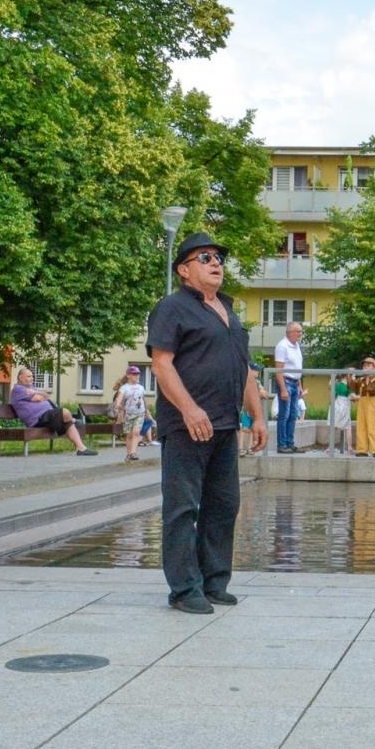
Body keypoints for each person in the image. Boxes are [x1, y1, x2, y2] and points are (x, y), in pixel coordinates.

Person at [147, 231, 269, 613]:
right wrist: (189, 408)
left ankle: (214, 581)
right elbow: (161, 364)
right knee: (183, 508)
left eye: (218, 257)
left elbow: (245, 371)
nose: (215, 262)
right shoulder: (172, 308)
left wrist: (257, 416)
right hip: (187, 425)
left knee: (224, 504)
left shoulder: (230, 312)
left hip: (226, 425)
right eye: (204, 257)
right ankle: (184, 589)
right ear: (183, 270)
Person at [9, 368, 96, 455]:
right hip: (37, 418)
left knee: (66, 422)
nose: (32, 378)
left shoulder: (31, 388)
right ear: (21, 377)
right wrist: (39, 394)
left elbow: (46, 396)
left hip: (46, 416)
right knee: (65, 413)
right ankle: (72, 420)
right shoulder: (18, 389)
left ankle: (81, 448)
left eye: (32, 376)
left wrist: (37, 392)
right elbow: (38, 398)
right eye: (29, 376)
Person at [272, 321, 305, 454]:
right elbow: (279, 369)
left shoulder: (296, 346)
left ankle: (290, 443)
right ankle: (282, 444)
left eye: (301, 331)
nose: (300, 334)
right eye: (298, 331)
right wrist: (283, 389)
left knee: (293, 414)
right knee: (284, 415)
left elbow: (297, 367)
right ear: (290, 332)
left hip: (295, 382)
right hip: (285, 381)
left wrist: (300, 385)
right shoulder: (282, 346)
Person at [352, 357, 375, 456]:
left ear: (374, 368)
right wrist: (351, 377)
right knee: (361, 426)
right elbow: (353, 387)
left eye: (369, 365)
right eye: (364, 366)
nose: (366, 367)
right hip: (362, 402)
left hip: (371, 402)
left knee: (373, 426)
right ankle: (362, 449)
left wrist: (368, 378)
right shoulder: (360, 380)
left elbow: (372, 390)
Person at [116, 366, 148, 462]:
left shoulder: (141, 387)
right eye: (134, 374)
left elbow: (144, 400)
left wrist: (146, 411)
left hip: (140, 413)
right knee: (129, 435)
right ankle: (129, 453)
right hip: (129, 414)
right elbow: (119, 399)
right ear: (128, 375)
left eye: (138, 374)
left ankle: (133, 453)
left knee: (136, 432)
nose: (137, 376)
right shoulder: (124, 388)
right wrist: (118, 405)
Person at [329, 368, 354, 455]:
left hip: (335, 407)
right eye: (354, 375)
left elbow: (331, 386)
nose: (354, 377)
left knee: (334, 427)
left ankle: (330, 447)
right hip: (344, 408)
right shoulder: (348, 386)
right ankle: (349, 447)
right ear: (348, 376)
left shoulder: (337, 384)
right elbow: (352, 397)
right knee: (348, 428)